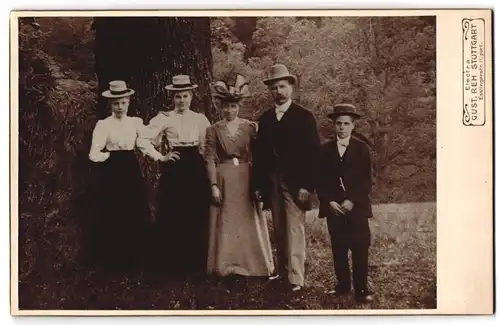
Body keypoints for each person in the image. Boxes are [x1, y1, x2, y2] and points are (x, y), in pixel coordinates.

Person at [252, 64, 321, 292]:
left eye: (282, 86)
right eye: (274, 88)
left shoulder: (304, 117)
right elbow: (260, 156)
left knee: (294, 229)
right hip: (272, 182)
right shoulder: (266, 119)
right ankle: (282, 272)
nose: (278, 91)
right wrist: (260, 185)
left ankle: (296, 278)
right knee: (279, 229)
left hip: (296, 183)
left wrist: (307, 186)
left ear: (291, 87)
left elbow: (313, 155)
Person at [136, 75, 212, 280]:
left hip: (195, 166)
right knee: (174, 208)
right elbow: (143, 139)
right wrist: (161, 156)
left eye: (185, 96)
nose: (181, 100)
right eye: (178, 96)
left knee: (195, 209)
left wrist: (205, 166)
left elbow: (206, 147)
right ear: (172, 97)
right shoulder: (164, 118)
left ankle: (196, 259)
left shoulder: (200, 119)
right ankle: (173, 261)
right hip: (175, 166)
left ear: (192, 96)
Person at [205, 74, 275, 278]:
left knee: (247, 219)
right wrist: (213, 184)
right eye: (226, 106)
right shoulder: (213, 130)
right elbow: (209, 158)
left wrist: (259, 182)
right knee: (225, 219)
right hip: (224, 177)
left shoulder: (250, 127)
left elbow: (260, 156)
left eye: (233, 106)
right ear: (221, 107)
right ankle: (225, 265)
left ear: (239, 107)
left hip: (246, 176)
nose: (229, 110)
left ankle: (253, 265)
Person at [86, 80, 151, 271]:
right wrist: (109, 156)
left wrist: (161, 155)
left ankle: (135, 257)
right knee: (114, 208)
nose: (120, 107)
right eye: (116, 103)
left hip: (130, 168)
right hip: (112, 171)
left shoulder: (136, 122)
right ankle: (113, 258)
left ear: (129, 101)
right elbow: (94, 152)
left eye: (123, 102)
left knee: (133, 207)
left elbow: (148, 140)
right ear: (110, 104)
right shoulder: (104, 125)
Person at [316, 103, 374, 303]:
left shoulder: (362, 149)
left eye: (346, 124)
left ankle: (361, 289)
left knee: (359, 248)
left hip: (356, 209)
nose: (342, 127)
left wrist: (352, 200)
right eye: (338, 123)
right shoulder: (324, 151)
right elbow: (320, 180)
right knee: (338, 248)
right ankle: (342, 286)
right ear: (333, 125)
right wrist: (329, 201)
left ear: (353, 126)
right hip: (335, 209)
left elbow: (367, 180)